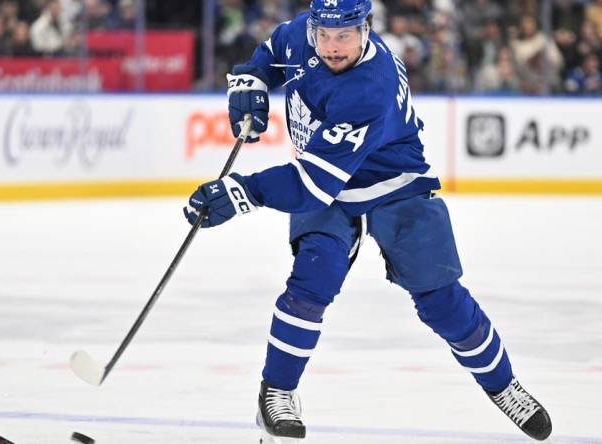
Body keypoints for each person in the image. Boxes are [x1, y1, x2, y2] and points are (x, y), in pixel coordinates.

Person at [183, 0, 553, 442]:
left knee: (441, 300)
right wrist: (250, 80)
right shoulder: (304, 33)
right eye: (325, 35)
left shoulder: (368, 89)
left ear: (367, 29)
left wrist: (242, 191)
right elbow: (270, 54)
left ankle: (503, 385)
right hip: (326, 179)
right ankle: (277, 391)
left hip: (391, 182)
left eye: (345, 36)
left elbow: (310, 186)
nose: (332, 46)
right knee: (313, 278)